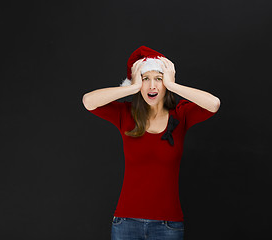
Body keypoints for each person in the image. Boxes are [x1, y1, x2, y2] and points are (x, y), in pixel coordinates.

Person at [82, 46, 220, 240]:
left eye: (158, 78)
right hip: (125, 223)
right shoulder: (126, 114)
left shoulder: (181, 115)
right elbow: (88, 101)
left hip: (168, 225)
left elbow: (213, 104)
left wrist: (173, 85)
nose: (152, 86)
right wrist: (131, 87)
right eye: (145, 79)